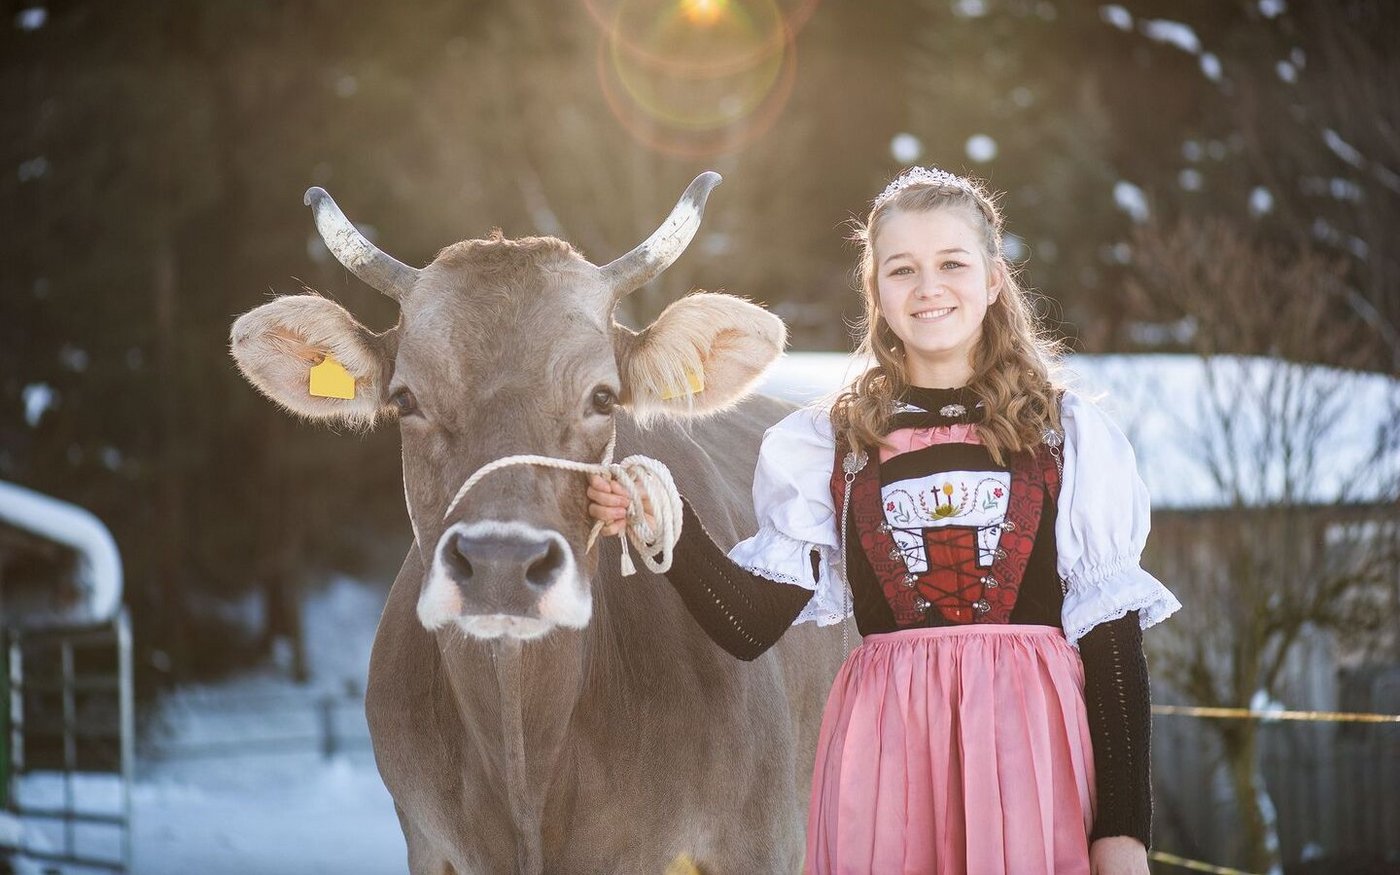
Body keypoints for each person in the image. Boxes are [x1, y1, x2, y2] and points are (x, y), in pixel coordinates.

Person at [587, 166, 1180, 875]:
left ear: (995, 278)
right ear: (876, 291)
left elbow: (1112, 645)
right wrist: (667, 526)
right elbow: (749, 623)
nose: (929, 287)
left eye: (951, 263)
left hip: (1030, 764)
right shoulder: (831, 447)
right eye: (902, 269)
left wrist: (1122, 836)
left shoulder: (1066, 434)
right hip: (885, 767)